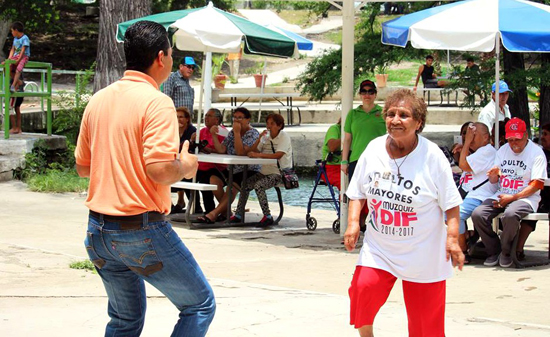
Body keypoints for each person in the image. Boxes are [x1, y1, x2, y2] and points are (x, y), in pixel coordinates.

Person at [74, 21, 215, 336]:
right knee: (199, 305)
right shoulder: (157, 102)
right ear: (161, 58)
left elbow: (83, 167)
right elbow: (159, 170)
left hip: (98, 231)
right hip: (141, 229)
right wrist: (186, 165)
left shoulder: (98, 100)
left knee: (124, 321)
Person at [344, 89, 464, 337]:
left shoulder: (432, 157)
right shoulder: (374, 148)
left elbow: (451, 204)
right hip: (381, 248)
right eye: (390, 114)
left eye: (404, 115)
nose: (395, 119)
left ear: (418, 122)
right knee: (362, 289)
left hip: (423, 252)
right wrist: (354, 223)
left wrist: (452, 239)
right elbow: (357, 191)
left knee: (426, 327)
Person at [472, 118, 547, 268]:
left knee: (511, 215)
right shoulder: (503, 150)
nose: (513, 144)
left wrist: (513, 197)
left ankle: (506, 252)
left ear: (526, 135)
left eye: (517, 140)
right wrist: (493, 175)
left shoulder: (536, 153)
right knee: (478, 214)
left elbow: (537, 184)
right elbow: (494, 180)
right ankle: (494, 250)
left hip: (525, 198)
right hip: (502, 193)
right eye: (510, 140)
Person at [196, 107, 260, 224]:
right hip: (232, 168)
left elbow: (240, 152)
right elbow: (221, 149)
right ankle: (226, 212)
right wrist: (214, 135)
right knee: (213, 180)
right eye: (235, 117)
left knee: (233, 184)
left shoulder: (253, 134)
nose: (236, 120)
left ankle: (213, 214)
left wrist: (236, 133)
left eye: (240, 118)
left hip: (248, 169)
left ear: (248, 120)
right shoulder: (231, 133)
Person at [230, 113, 292, 226]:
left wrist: (259, 155)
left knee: (259, 185)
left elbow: (278, 155)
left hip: (278, 173)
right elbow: (253, 151)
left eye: (272, 124)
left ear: (279, 125)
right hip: (264, 171)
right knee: (245, 184)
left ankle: (267, 216)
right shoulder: (266, 137)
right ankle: (239, 214)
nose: (269, 126)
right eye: (267, 123)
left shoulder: (284, 137)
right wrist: (259, 139)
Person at [456, 122, 497, 263]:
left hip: (480, 196)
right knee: (445, 213)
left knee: (456, 215)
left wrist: (467, 143)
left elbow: (463, 165)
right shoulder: (478, 152)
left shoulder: (487, 151)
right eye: (468, 135)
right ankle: (467, 237)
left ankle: (462, 250)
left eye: (473, 135)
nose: (470, 138)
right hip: (469, 194)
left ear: (485, 137)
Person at [516, 123, 550, 260]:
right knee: (529, 215)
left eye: (546, 134)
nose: (542, 137)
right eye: (542, 134)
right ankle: (518, 249)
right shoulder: (538, 153)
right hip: (538, 195)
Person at [341, 79, 386, 180]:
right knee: (356, 195)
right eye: (364, 92)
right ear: (360, 94)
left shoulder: (383, 113)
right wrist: (344, 161)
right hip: (356, 159)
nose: (367, 95)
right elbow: (347, 139)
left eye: (371, 92)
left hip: (378, 160)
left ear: (375, 94)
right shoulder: (353, 114)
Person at [193, 108, 229, 214]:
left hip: (218, 167)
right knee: (187, 176)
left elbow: (223, 150)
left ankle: (212, 210)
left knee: (206, 178)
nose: (206, 118)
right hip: (203, 166)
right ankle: (197, 207)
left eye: (209, 116)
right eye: (206, 115)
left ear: (217, 120)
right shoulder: (202, 131)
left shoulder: (222, 132)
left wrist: (209, 149)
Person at [172, 106, 201, 214]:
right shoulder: (171, 129)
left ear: (187, 119)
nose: (178, 119)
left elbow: (187, 146)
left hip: (188, 162)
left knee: (188, 177)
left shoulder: (192, 131)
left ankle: (196, 207)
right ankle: (170, 204)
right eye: (176, 117)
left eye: (181, 117)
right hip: (175, 161)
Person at [2, 22, 30, 92]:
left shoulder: (25, 38)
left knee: (18, 69)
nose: (12, 33)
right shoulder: (15, 39)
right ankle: (20, 82)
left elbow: (23, 50)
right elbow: (12, 49)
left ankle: (13, 85)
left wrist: (19, 59)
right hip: (15, 56)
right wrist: (9, 59)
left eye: (12, 31)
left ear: (16, 30)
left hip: (23, 56)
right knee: (6, 67)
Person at [321, 118, 342, 190]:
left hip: (348, 167)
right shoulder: (334, 129)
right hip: (331, 168)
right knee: (346, 184)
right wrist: (347, 137)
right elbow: (332, 147)